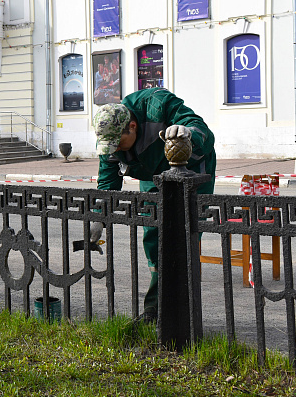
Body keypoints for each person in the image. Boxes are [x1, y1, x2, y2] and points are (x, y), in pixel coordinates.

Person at [91, 87, 216, 324]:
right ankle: (156, 309)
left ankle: (180, 309)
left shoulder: (158, 104)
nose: (114, 148)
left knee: (184, 237)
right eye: (110, 145)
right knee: (153, 235)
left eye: (118, 142)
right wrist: (99, 216)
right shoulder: (110, 136)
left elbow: (202, 131)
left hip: (191, 169)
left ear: (132, 126)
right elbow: (108, 181)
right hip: (153, 172)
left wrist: (187, 132)